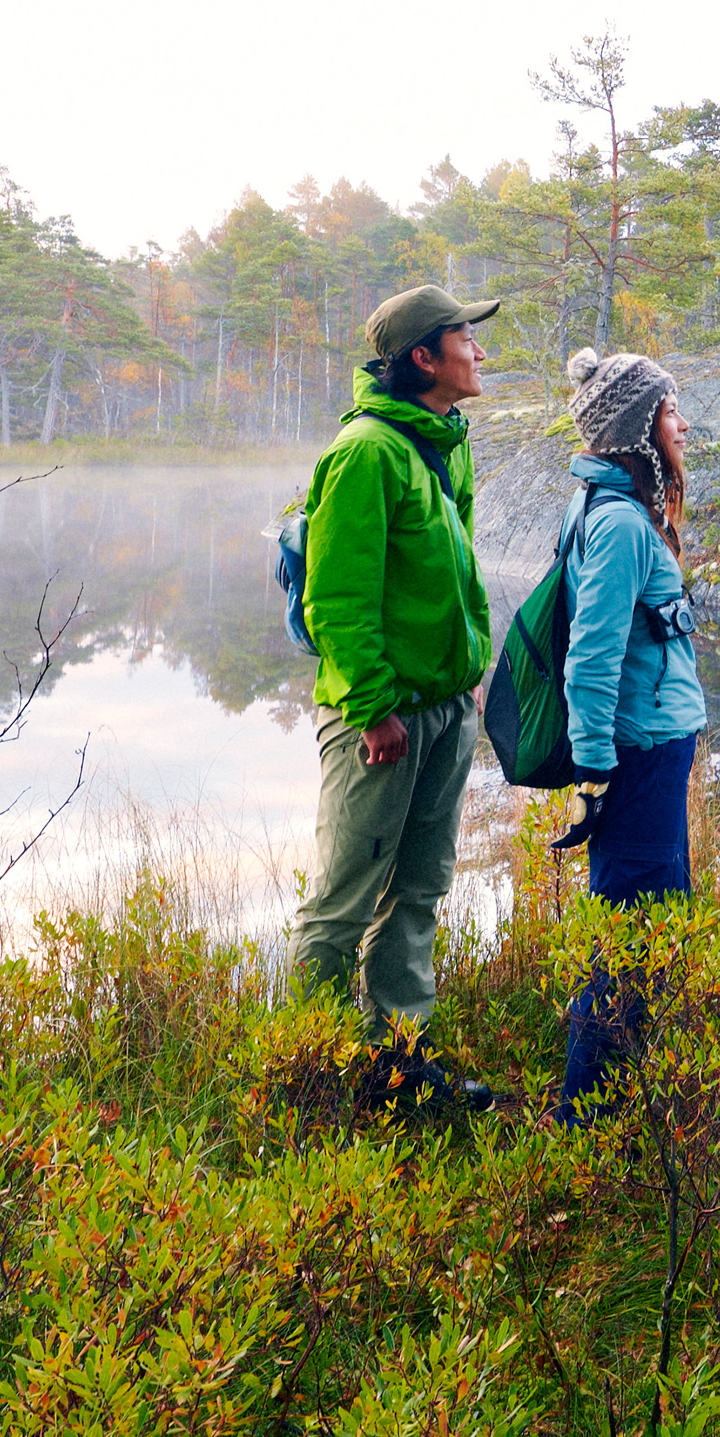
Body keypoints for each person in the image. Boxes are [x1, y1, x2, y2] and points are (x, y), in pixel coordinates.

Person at [292, 284, 501, 1111]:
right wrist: (374, 709)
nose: (479, 352)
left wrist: (467, 674)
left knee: (418, 889)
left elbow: (457, 574)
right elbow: (336, 599)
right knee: (343, 902)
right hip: (377, 718)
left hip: (445, 708)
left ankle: (400, 1067)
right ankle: (308, 1077)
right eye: (465, 338)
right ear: (423, 356)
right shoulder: (366, 453)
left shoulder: (448, 443)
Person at [551, 347, 707, 1123]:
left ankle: (618, 1109)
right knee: (630, 941)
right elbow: (591, 658)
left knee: (647, 931)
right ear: (640, 426)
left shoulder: (620, 511)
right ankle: (588, 1124)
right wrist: (594, 775)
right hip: (638, 756)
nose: (683, 424)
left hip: (652, 748)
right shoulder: (616, 523)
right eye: (671, 410)